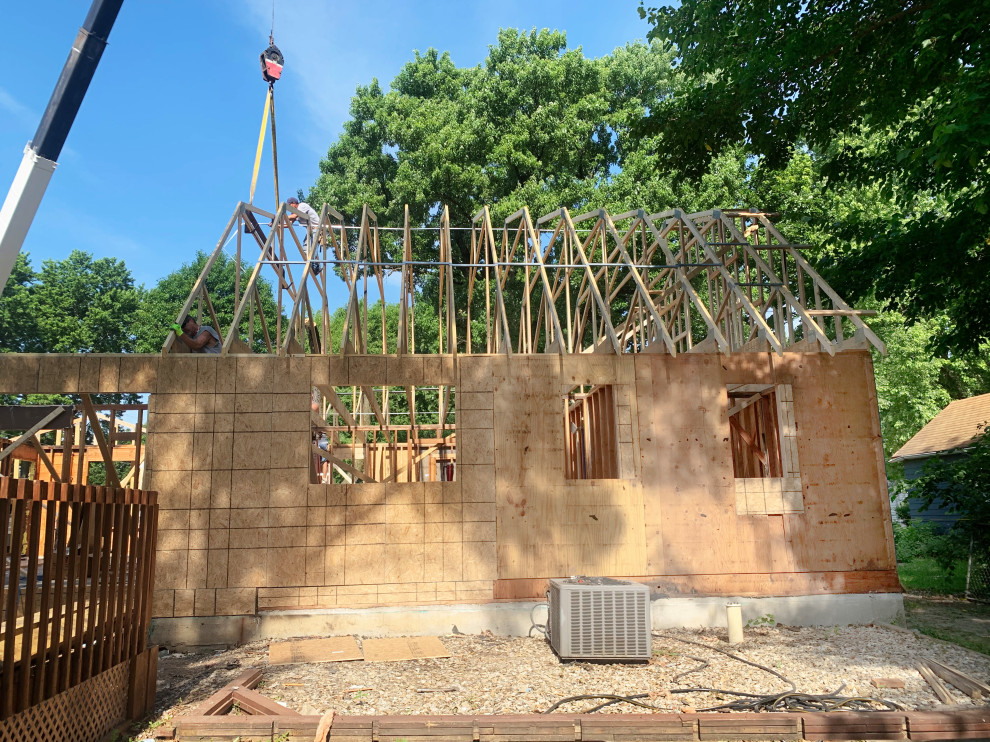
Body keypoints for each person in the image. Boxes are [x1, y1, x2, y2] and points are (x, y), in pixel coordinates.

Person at [287, 196, 322, 275]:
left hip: (317, 229)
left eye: (290, 205)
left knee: (313, 249)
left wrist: (281, 216)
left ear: (294, 203)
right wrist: (277, 223)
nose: (289, 208)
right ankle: (314, 266)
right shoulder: (294, 212)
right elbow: (288, 224)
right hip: (310, 231)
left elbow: (294, 216)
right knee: (305, 250)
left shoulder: (302, 206)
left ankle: (315, 266)